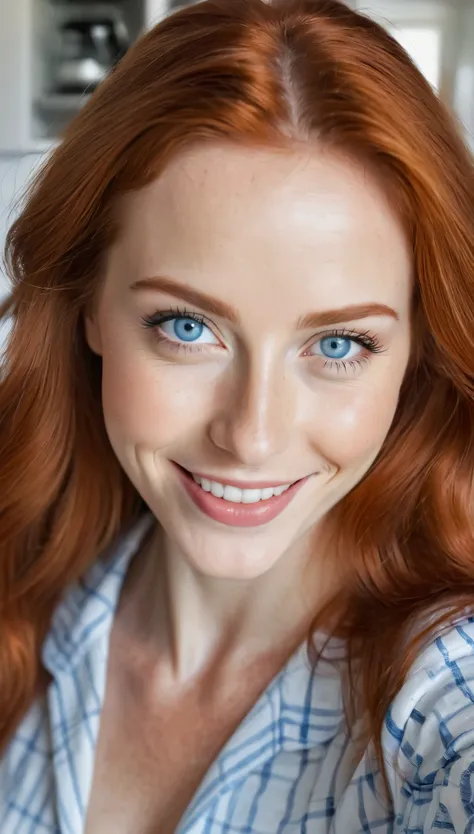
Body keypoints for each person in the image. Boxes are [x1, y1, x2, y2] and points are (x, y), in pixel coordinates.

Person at [1, 0, 474, 830]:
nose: (251, 435)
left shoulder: (446, 698)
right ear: (88, 307)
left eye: (337, 346)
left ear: (418, 353)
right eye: (187, 328)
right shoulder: (29, 581)